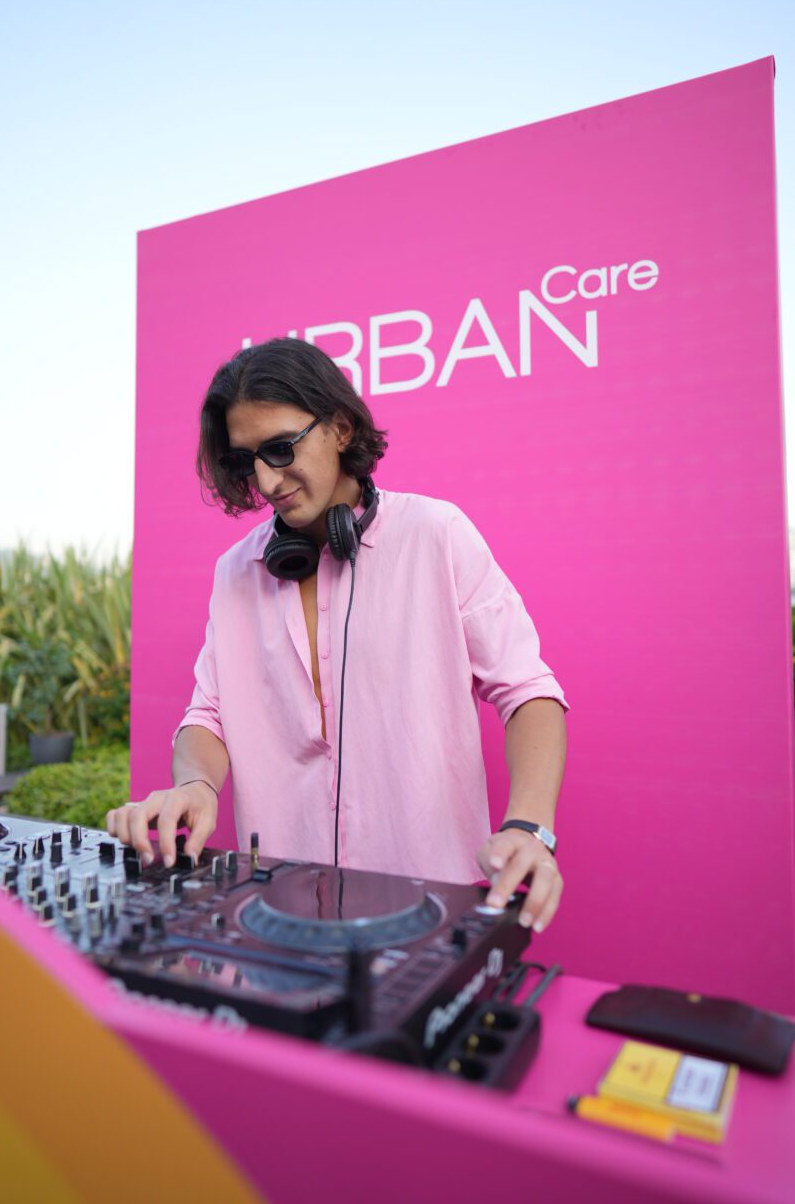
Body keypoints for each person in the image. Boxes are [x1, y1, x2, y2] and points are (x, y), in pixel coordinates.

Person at [106, 338, 569, 931]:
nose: (267, 480)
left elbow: (528, 691)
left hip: (429, 902)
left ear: (341, 428)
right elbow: (209, 713)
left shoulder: (437, 534)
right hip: (277, 904)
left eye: (281, 448)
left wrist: (528, 825)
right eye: (247, 461)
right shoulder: (234, 572)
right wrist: (196, 785)